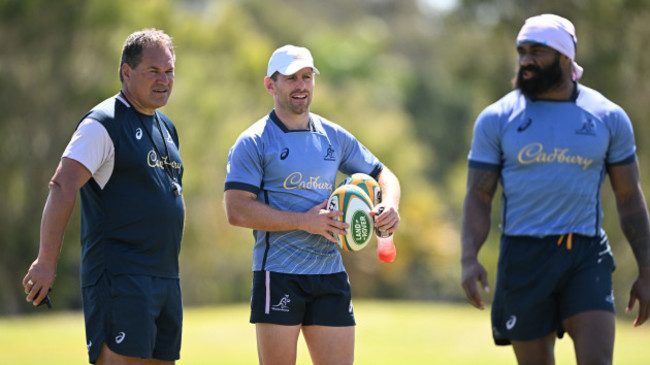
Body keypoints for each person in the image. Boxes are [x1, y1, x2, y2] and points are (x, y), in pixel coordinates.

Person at [461, 13, 650, 365]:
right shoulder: (497, 118)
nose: (526, 60)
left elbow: (629, 197)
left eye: (538, 51)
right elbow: (478, 195)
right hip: (523, 258)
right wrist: (469, 258)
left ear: (566, 58)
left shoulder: (607, 117)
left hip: (584, 254)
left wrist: (647, 269)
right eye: (521, 51)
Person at [224, 44, 401, 364]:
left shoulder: (333, 136)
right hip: (278, 274)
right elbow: (236, 210)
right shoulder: (253, 141)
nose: (301, 85)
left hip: (329, 273)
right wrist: (304, 221)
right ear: (270, 84)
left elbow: (383, 173)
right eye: (291, 78)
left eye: (307, 77)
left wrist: (389, 204)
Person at [22, 28, 184, 364]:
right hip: (121, 278)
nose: (163, 80)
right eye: (153, 71)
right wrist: (46, 261)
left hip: (165, 277)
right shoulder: (103, 123)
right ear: (126, 72)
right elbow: (62, 185)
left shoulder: (166, 128)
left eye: (169, 71)